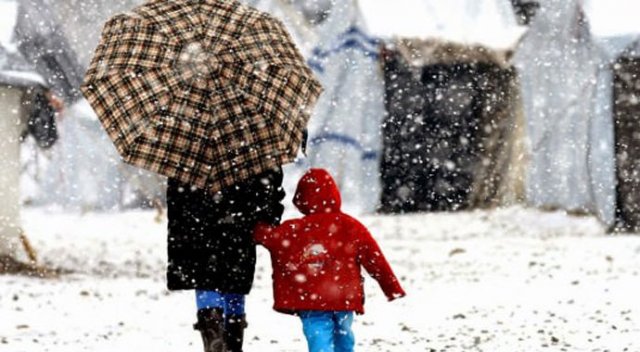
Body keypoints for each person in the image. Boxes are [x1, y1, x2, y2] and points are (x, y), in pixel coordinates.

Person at [254, 168, 406, 352]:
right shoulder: (351, 226)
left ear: (301, 199)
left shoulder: (293, 229)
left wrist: (253, 222)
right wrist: (391, 288)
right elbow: (375, 259)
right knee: (344, 333)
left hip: (310, 300)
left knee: (318, 334)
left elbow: (267, 237)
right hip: (344, 297)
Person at [166, 166, 285, 352]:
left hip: (197, 227)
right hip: (239, 224)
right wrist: (268, 215)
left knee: (206, 281)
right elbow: (270, 184)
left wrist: (185, 219)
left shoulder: (187, 148)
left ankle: (214, 339)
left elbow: (177, 194)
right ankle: (233, 341)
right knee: (234, 282)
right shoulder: (252, 145)